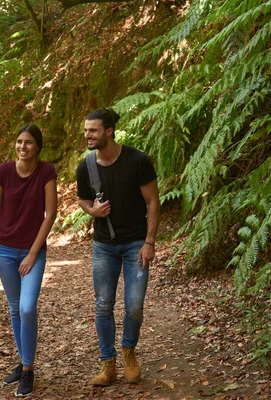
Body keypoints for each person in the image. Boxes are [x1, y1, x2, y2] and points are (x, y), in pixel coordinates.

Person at [76, 108, 160, 386]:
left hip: (136, 243)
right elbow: (83, 200)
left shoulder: (137, 161)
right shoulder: (86, 166)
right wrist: (93, 211)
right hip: (103, 246)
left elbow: (153, 202)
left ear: (109, 131)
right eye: (86, 130)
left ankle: (129, 352)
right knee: (103, 305)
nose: (87, 134)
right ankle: (108, 363)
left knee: (134, 306)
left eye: (93, 130)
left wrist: (149, 242)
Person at [0, 124, 57, 397]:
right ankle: (25, 363)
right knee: (15, 309)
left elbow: (51, 214)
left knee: (27, 308)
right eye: (18, 141)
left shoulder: (46, 172)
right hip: (3, 249)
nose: (22, 146)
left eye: (28, 142)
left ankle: (28, 371)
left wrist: (33, 253)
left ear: (37, 146)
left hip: (32, 252)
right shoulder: (2, 172)